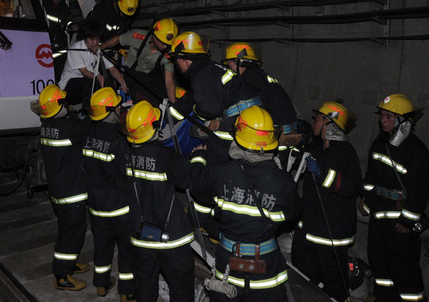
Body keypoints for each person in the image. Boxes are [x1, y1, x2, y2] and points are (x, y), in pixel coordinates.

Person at [189, 106, 301, 301]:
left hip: (227, 268)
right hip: (267, 273)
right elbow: (293, 215)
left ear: (239, 136)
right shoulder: (283, 182)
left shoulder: (221, 173)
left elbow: (198, 188)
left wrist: (199, 158)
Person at [359, 94, 429, 302]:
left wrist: (407, 220)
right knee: (380, 267)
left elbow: (420, 190)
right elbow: (370, 177)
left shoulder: (416, 151)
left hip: (400, 223)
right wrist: (366, 198)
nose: (383, 119)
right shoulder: (379, 143)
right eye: (382, 115)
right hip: (379, 217)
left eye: (389, 116)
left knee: (404, 272)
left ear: (403, 121)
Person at [124, 100, 195, 302]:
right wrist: (198, 159)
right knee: (181, 290)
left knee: (144, 289)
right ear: (154, 127)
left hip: (140, 238)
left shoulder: (127, 154)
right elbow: (185, 179)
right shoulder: (165, 156)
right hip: (172, 240)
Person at [291, 101, 361, 302]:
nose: (315, 122)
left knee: (334, 282)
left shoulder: (345, 153)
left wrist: (324, 175)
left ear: (329, 124)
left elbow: (351, 186)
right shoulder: (317, 147)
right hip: (309, 227)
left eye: (318, 119)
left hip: (331, 233)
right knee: (302, 271)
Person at [35, 84, 91, 291]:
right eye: (63, 101)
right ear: (59, 105)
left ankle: (70, 263)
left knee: (68, 229)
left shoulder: (46, 124)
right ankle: (62, 276)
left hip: (58, 188)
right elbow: (90, 124)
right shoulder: (69, 127)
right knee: (72, 232)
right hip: (71, 191)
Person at [169, 32, 257, 164]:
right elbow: (189, 100)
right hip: (251, 119)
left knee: (216, 161)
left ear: (183, 59)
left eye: (176, 60)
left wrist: (196, 113)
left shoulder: (200, 74)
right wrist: (167, 116)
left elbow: (210, 109)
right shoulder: (210, 69)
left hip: (235, 125)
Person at [82, 87, 136, 301]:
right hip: (119, 207)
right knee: (126, 250)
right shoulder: (118, 139)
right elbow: (127, 172)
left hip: (96, 206)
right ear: (112, 110)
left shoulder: (88, 134)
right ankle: (127, 292)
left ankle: (101, 285)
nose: (120, 109)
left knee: (102, 247)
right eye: (118, 107)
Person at [222, 42, 298, 150]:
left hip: (277, 133)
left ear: (240, 62)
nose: (231, 70)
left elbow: (264, 103)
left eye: (231, 66)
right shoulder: (259, 74)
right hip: (286, 129)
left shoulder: (250, 77)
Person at [100, 17, 178, 105]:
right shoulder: (137, 36)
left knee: (162, 99)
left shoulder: (169, 53)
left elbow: (169, 80)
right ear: (154, 37)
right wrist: (102, 47)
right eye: (163, 43)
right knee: (140, 100)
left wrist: (173, 103)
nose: (165, 47)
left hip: (151, 74)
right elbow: (118, 39)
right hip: (132, 73)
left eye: (168, 45)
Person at [58, 21, 128, 106]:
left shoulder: (99, 48)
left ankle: (114, 105)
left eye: (98, 39)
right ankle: (88, 111)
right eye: (92, 39)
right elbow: (84, 72)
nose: (95, 43)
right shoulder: (75, 49)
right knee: (93, 81)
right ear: (85, 38)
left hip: (89, 83)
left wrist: (122, 82)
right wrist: (98, 77)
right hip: (69, 87)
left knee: (107, 78)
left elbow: (112, 68)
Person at [43, 0, 74, 81]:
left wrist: (71, 25)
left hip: (61, 45)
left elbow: (68, 19)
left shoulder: (64, 7)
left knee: (60, 74)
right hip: (46, 44)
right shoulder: (43, 7)